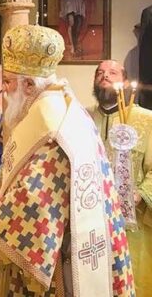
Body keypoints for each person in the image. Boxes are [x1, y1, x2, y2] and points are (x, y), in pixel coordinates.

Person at [0, 24, 134, 296]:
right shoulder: (64, 107)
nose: (4, 92)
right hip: (88, 241)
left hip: (68, 263)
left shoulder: (52, 127)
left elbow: (34, 209)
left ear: (29, 85)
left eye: (8, 82)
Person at [88, 59, 152, 295]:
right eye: (99, 73)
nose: (104, 76)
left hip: (133, 226)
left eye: (112, 72)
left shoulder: (147, 120)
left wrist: (139, 195)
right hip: (92, 222)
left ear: (125, 83)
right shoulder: (84, 118)